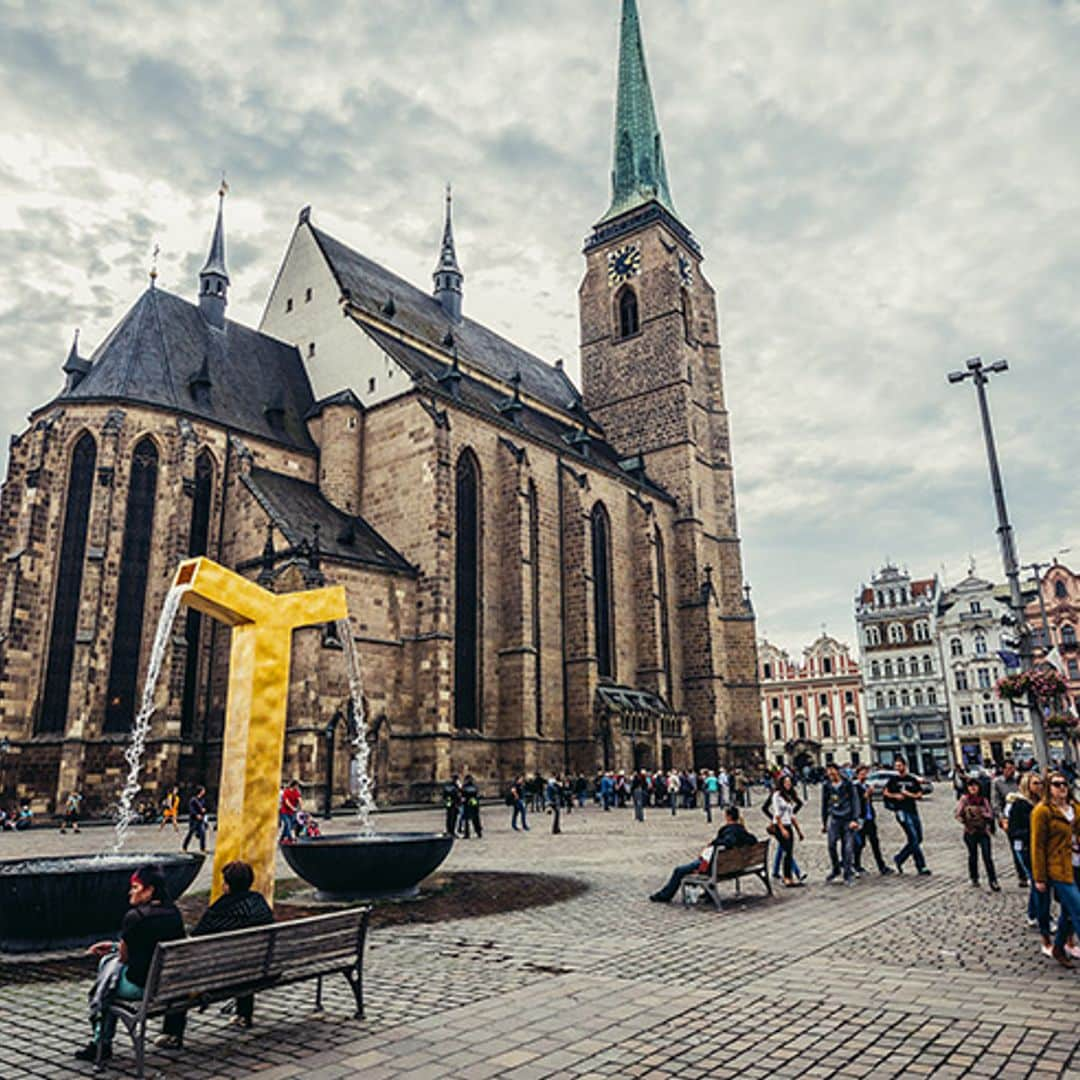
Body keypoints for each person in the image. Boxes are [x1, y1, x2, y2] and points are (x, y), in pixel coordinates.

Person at [74, 864, 186, 1063]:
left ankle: (101, 1044)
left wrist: (115, 951)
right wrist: (115, 946)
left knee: (108, 976)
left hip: (143, 987)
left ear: (150, 890)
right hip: (170, 984)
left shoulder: (135, 917)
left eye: (135, 887)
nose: (130, 892)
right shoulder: (173, 912)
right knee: (110, 970)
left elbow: (124, 958)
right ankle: (102, 1041)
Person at [159, 860, 275, 1047]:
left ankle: (172, 1034)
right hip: (262, 970)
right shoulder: (259, 902)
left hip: (224, 977)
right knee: (244, 957)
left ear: (227, 885)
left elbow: (197, 938)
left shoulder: (220, 909)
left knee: (179, 977)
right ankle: (244, 1015)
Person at [650, 807, 757, 903]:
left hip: (713, 865)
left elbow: (728, 841)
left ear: (728, 816)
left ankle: (665, 895)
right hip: (733, 865)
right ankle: (707, 893)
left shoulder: (728, 830)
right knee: (689, 866)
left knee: (679, 870)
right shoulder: (742, 830)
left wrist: (714, 843)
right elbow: (753, 840)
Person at [1031, 770, 1080, 968]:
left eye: (1064, 784)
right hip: (1058, 868)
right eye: (1056, 784)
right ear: (1048, 789)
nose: (1062, 788)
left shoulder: (1075, 808)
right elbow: (1038, 845)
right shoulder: (1042, 811)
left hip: (1077, 863)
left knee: (1068, 911)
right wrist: (1039, 877)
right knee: (1078, 909)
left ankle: (1058, 946)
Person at [1010, 772, 1051, 953]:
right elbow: (1014, 830)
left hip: (1039, 848)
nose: (1039, 786)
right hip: (1026, 848)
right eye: (1035, 784)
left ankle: (1033, 914)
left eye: (1041, 783)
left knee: (1037, 882)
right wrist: (1034, 833)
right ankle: (1042, 917)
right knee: (1038, 882)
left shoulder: (1040, 804)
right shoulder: (1020, 805)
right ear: (1027, 785)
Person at [883, 757, 930, 875]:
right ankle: (921, 866)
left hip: (912, 810)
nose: (897, 768)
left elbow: (919, 794)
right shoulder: (893, 779)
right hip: (901, 811)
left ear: (905, 766)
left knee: (918, 838)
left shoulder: (912, 779)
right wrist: (895, 796)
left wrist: (908, 794)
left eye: (899, 765)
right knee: (913, 837)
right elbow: (886, 792)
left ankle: (899, 858)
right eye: (896, 766)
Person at [821, 762, 863, 885]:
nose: (830, 774)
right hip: (834, 818)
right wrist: (824, 822)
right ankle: (836, 869)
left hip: (848, 819)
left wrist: (855, 819)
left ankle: (848, 874)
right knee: (831, 845)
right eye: (828, 772)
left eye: (832, 771)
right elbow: (824, 804)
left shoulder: (848, 784)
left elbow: (855, 801)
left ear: (837, 771)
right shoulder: (827, 786)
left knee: (848, 848)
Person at [956, 776, 1000, 891]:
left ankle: (993, 880)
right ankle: (974, 877)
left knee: (987, 857)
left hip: (983, 831)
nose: (973, 788)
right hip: (970, 832)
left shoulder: (984, 800)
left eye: (975, 786)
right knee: (973, 855)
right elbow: (958, 814)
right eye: (970, 786)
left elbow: (990, 814)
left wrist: (981, 814)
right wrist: (966, 820)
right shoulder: (964, 799)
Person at [853, 765, 893, 876]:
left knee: (875, 843)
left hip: (870, 818)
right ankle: (856, 865)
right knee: (860, 844)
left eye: (866, 773)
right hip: (861, 819)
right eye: (862, 773)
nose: (864, 775)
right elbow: (855, 803)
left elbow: (869, 802)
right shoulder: (855, 787)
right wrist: (866, 795)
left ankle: (882, 866)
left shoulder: (866, 786)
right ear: (857, 774)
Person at [991, 761, 1026, 886]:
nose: (1011, 771)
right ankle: (1022, 875)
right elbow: (995, 803)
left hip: (1024, 817)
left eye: (1013, 768)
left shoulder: (1020, 780)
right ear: (1003, 769)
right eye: (1009, 768)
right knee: (1016, 846)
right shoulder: (998, 783)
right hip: (1009, 819)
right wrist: (1001, 819)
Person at [769, 774, 805, 888]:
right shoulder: (777, 796)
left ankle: (789, 876)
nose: (788, 785)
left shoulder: (788, 796)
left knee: (789, 852)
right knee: (787, 851)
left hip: (788, 824)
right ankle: (787, 877)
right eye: (786, 783)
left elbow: (792, 815)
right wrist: (782, 829)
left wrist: (799, 831)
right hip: (779, 826)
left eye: (789, 783)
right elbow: (777, 814)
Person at [183, 786, 208, 853]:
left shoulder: (202, 800)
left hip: (201, 819)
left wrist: (204, 811)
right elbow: (191, 809)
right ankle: (184, 847)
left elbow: (204, 807)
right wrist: (196, 815)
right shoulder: (193, 800)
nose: (204, 792)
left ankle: (202, 848)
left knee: (203, 833)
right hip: (193, 820)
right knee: (190, 833)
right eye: (203, 790)